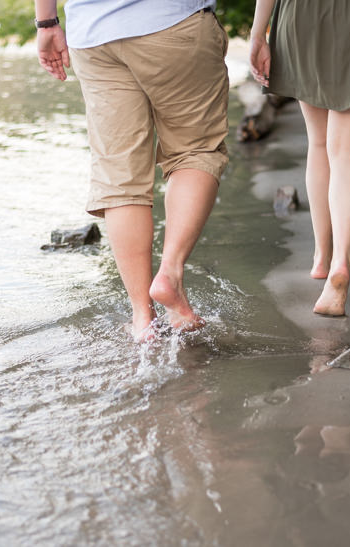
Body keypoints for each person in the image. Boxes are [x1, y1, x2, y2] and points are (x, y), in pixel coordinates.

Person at [34, 0, 230, 341]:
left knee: (120, 176)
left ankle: (142, 317)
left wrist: (46, 23)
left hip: (94, 34)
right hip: (173, 19)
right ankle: (169, 275)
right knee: (194, 150)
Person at [250, 0, 350, 316]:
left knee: (319, 143)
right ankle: (340, 261)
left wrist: (259, 33)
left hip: (302, 16)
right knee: (346, 150)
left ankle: (322, 258)